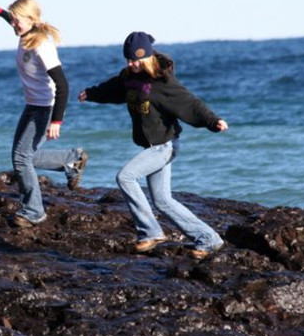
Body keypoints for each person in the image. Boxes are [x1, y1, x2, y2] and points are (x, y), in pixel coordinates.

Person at [78, 31, 228, 259]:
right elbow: (114, 89)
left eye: (136, 60)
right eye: (128, 60)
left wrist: (212, 121)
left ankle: (150, 232)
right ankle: (209, 238)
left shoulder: (162, 81)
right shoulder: (129, 77)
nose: (131, 64)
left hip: (165, 146)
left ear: (147, 57)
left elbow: (190, 103)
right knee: (163, 201)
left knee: (125, 177)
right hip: (152, 146)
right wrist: (91, 93)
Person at [0, 0, 88, 228]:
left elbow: (63, 85)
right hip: (32, 105)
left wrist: (57, 121)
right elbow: (10, 17)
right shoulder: (24, 33)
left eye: (17, 20)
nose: (13, 24)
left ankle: (34, 210)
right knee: (22, 157)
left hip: (45, 109)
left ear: (31, 19)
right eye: (13, 20)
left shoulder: (41, 45)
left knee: (21, 159)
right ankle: (71, 160)